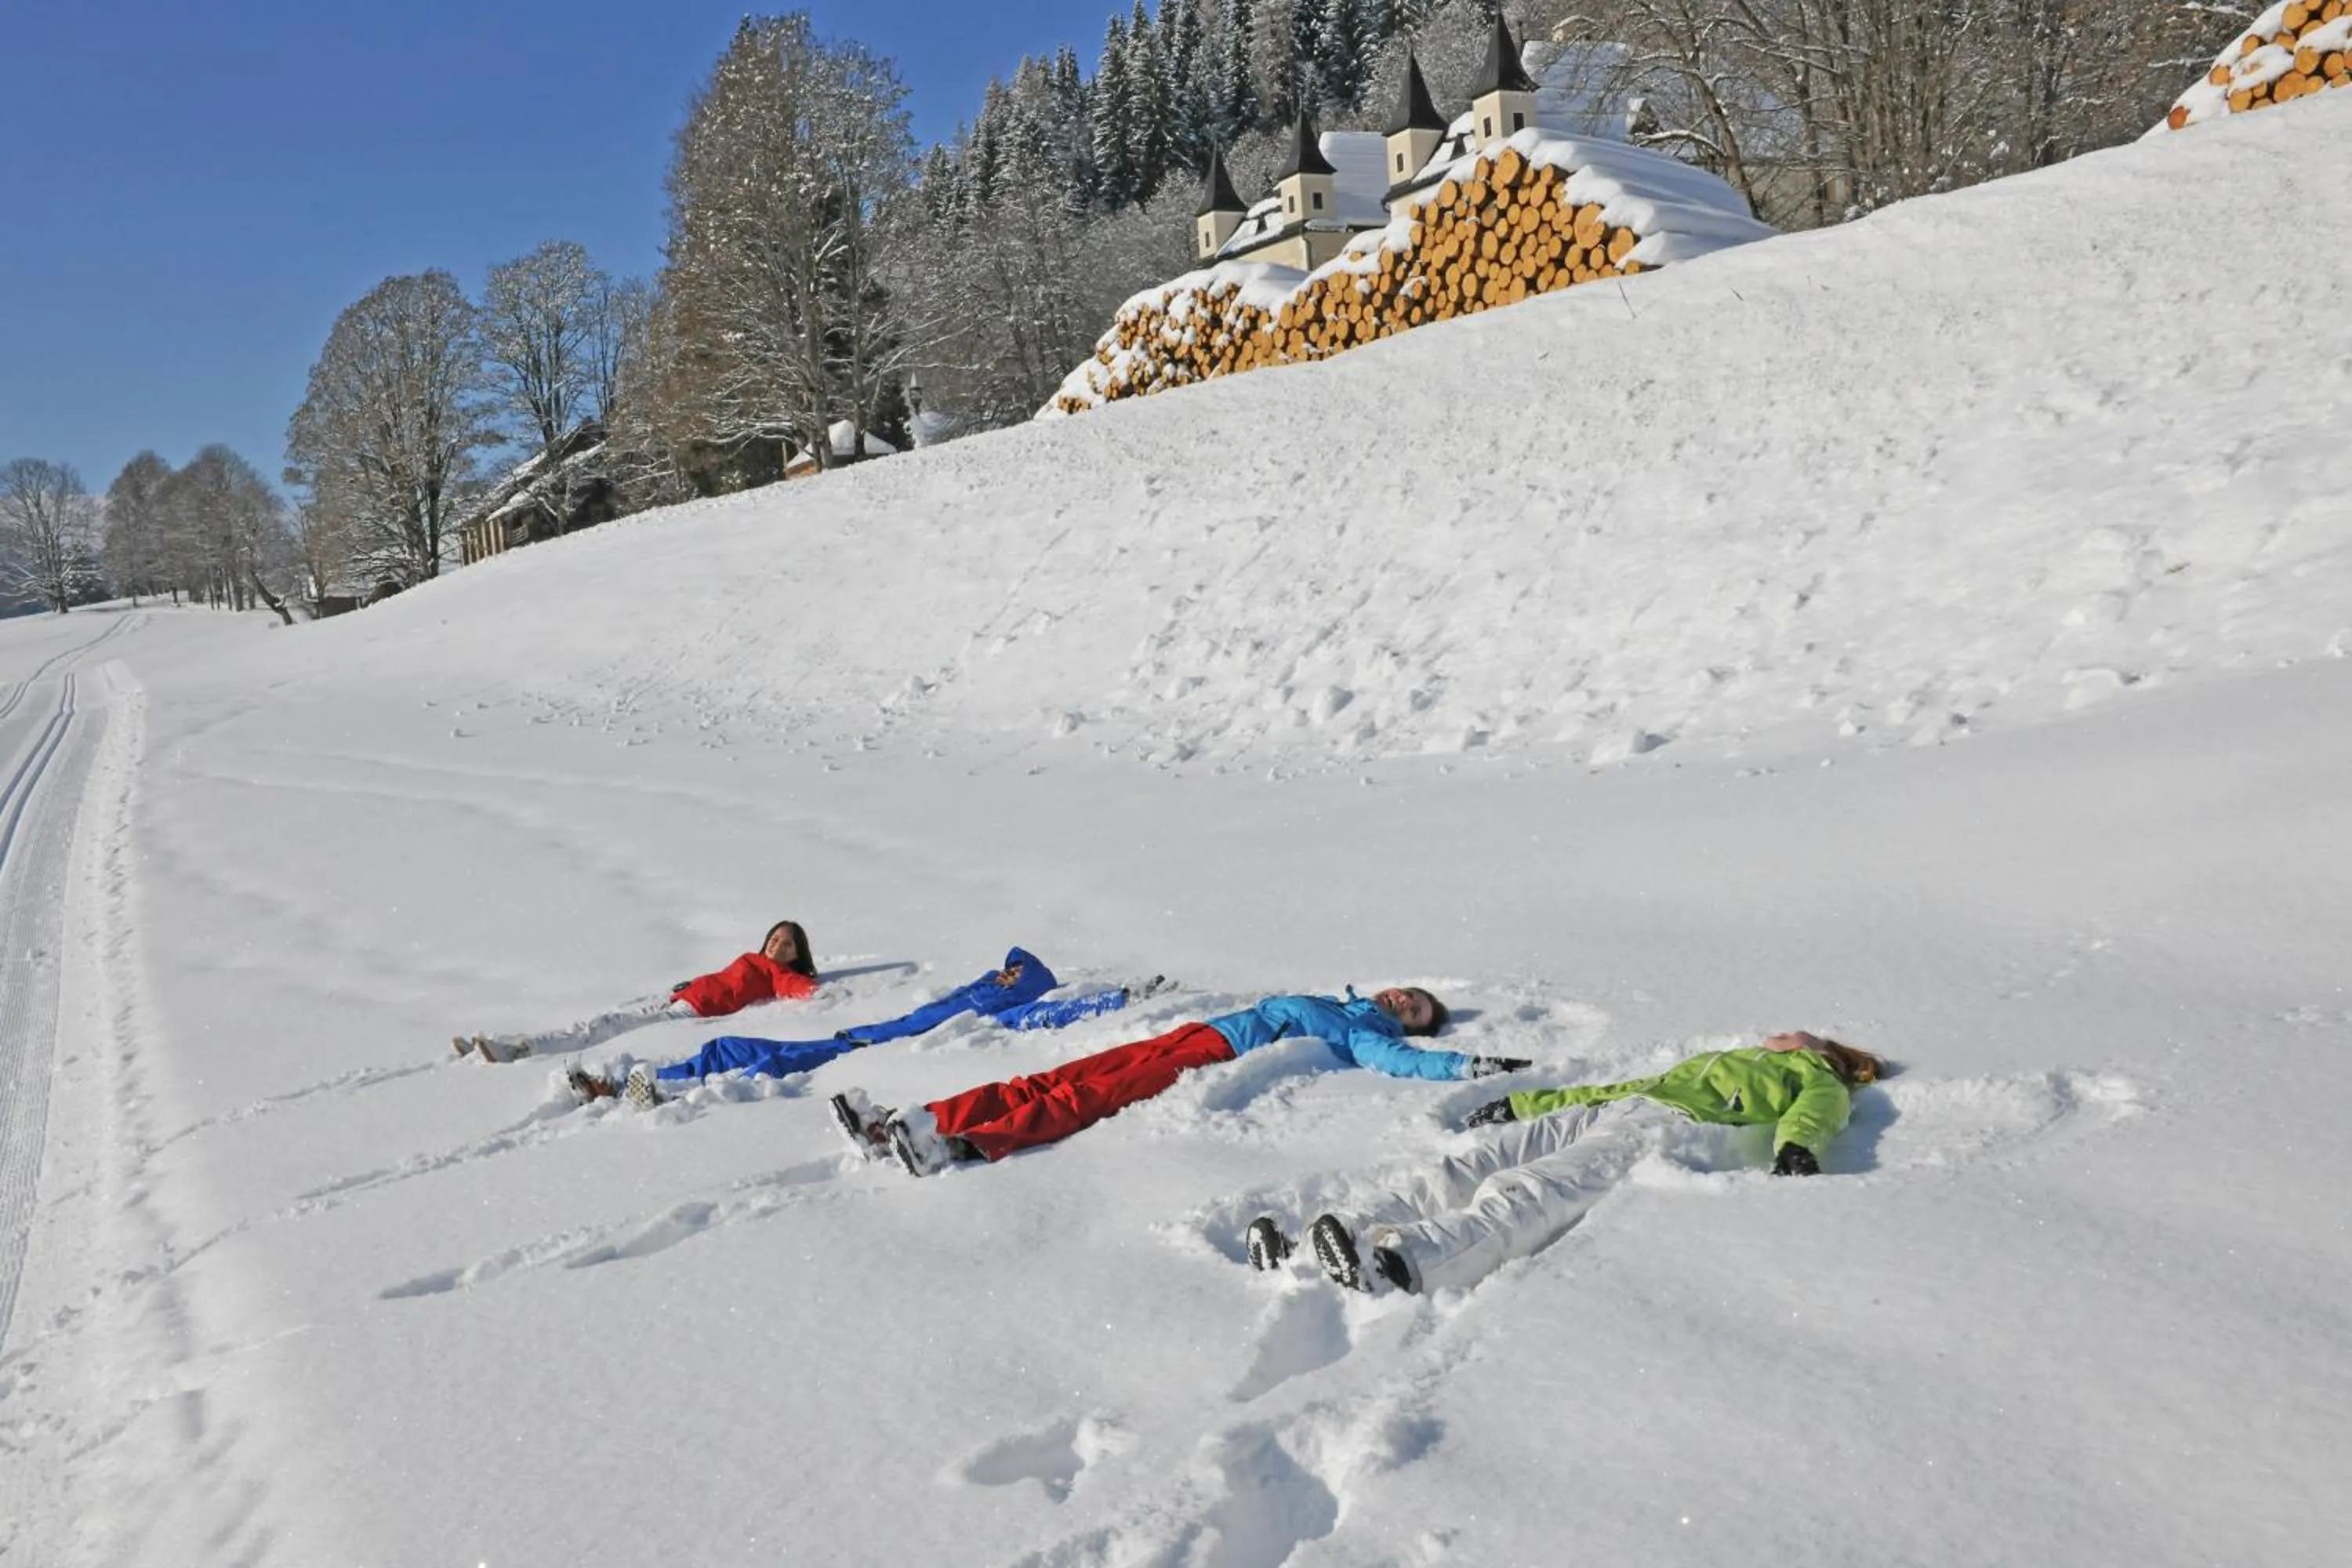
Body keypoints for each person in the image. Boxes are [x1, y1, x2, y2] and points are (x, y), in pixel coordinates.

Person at [1250, 1032, 1885, 1295]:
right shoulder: (1719, 1059)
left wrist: (1796, 1149)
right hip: (1627, 1106)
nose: (1779, 1035)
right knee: (1462, 1171)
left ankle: (1404, 1264)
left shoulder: (1819, 1076)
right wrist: (1519, 1107)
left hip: (1671, 1128)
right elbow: (1599, 1092)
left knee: (1530, 1188)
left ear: (1823, 1050)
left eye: (1795, 1034)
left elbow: (1816, 1116)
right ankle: (1312, 1249)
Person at [830, 986, 1528, 1175]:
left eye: (1415, 1010)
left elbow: (1402, 1064)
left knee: (1087, 1099)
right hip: (1197, 1034)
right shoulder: (1346, 1005)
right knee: (1044, 1077)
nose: (1403, 1000)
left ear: (1407, 1026)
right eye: (1408, 992)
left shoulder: (1364, 1036)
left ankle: (966, 1146)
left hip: (1213, 1058)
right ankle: (906, 1126)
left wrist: (1464, 1065)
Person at [567, 949, 1168, 1109]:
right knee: (731, 1044)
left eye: (1017, 973)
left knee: (770, 1067)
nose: (1007, 974)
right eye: (1008, 967)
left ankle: (667, 1094)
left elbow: (1049, 1016)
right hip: (861, 1035)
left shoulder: (1001, 1009)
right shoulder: (975, 988)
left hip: (882, 1053)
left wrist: (1116, 999)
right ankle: (637, 1086)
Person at [457, 919, 818, 1062]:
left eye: (787, 945)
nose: (777, 947)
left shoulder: (775, 972)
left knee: (604, 1028)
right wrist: (688, 986)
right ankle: (496, 1050)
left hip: (690, 1012)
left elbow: (800, 987)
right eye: (774, 939)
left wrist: (820, 994)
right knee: (602, 1023)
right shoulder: (753, 959)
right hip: (681, 999)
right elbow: (723, 980)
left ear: (798, 953)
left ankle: (518, 1050)